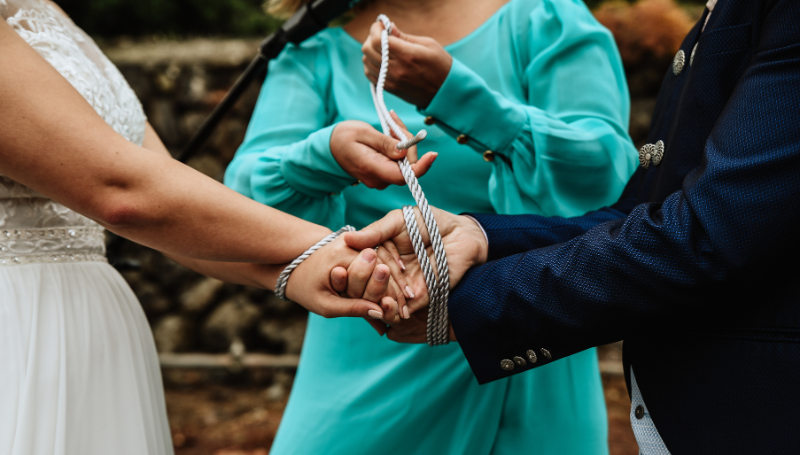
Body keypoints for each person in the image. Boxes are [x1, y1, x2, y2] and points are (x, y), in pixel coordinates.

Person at [349, 0, 800, 452]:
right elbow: (646, 210)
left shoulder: (549, 18)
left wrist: (471, 303)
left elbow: (703, 233)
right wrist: (482, 236)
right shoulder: (312, 41)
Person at [225, 0, 637, 452]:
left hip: (526, 349)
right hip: (368, 360)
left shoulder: (547, 19)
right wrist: (325, 156)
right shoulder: (311, 53)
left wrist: (459, 97)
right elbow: (243, 209)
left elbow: (606, 178)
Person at [0, 1, 405, 454]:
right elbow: (120, 191)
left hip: (93, 335)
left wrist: (295, 270)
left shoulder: (48, 10)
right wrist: (335, 247)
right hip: (18, 329)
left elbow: (166, 208)